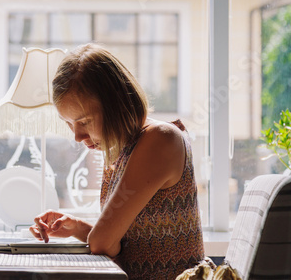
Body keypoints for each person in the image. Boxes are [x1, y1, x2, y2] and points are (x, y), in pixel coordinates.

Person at [29, 43, 204, 279]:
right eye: (69, 123)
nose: (77, 136)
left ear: (116, 106)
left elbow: (103, 243)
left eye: (85, 122)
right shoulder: (127, 146)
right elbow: (129, 246)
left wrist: (98, 237)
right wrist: (79, 228)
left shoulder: (160, 140)